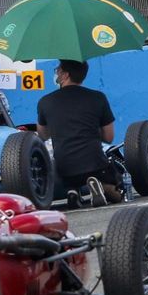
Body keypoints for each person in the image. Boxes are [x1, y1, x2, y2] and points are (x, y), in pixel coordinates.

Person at [36, 59, 121, 207]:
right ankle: (103, 186)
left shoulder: (45, 102)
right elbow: (109, 137)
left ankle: (73, 192)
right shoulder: (98, 98)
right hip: (95, 163)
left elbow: (43, 135)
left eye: (58, 70)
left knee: (65, 171)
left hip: (63, 168)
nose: (56, 73)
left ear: (65, 75)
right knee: (119, 190)